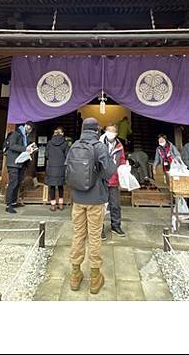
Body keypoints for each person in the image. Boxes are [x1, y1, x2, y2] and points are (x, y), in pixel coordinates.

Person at [67, 117, 116, 294]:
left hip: (78, 198)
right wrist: (99, 175)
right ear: (97, 130)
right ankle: (95, 278)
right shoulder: (100, 147)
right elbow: (110, 171)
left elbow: (68, 169)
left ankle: (75, 274)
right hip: (96, 199)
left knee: (78, 235)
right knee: (94, 236)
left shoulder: (74, 146)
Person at [100, 123, 127, 239]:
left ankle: (116, 225)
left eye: (113, 131)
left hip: (114, 180)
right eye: (108, 130)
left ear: (116, 133)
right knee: (100, 206)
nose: (110, 133)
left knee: (115, 205)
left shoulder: (119, 146)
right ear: (105, 131)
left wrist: (125, 168)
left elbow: (122, 160)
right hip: (101, 180)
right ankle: (99, 228)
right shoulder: (100, 144)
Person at [4, 121, 36, 214]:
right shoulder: (16, 134)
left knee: (18, 182)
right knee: (13, 183)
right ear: (25, 125)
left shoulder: (25, 137)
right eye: (29, 128)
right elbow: (12, 146)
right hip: (13, 162)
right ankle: (8, 204)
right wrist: (25, 148)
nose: (29, 130)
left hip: (21, 163)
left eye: (31, 129)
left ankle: (14, 202)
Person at [45, 126, 69, 211]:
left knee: (52, 186)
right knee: (60, 186)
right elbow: (67, 155)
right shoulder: (65, 143)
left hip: (51, 167)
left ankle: (53, 204)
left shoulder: (49, 143)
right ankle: (61, 204)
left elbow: (46, 155)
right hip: (61, 167)